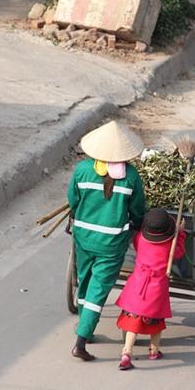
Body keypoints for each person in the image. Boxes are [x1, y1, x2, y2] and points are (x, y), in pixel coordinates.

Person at [67, 120, 146, 361]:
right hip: (111, 244)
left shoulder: (82, 170)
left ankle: (85, 328)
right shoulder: (131, 177)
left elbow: (73, 201)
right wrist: (137, 223)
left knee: (84, 279)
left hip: (83, 236)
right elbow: (138, 210)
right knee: (98, 291)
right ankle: (81, 340)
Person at [115, 208, 187, 370]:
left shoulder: (140, 239)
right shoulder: (170, 245)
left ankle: (126, 352)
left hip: (138, 285)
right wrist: (180, 234)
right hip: (157, 288)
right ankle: (154, 350)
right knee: (156, 319)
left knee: (133, 320)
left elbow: (135, 241)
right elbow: (180, 252)